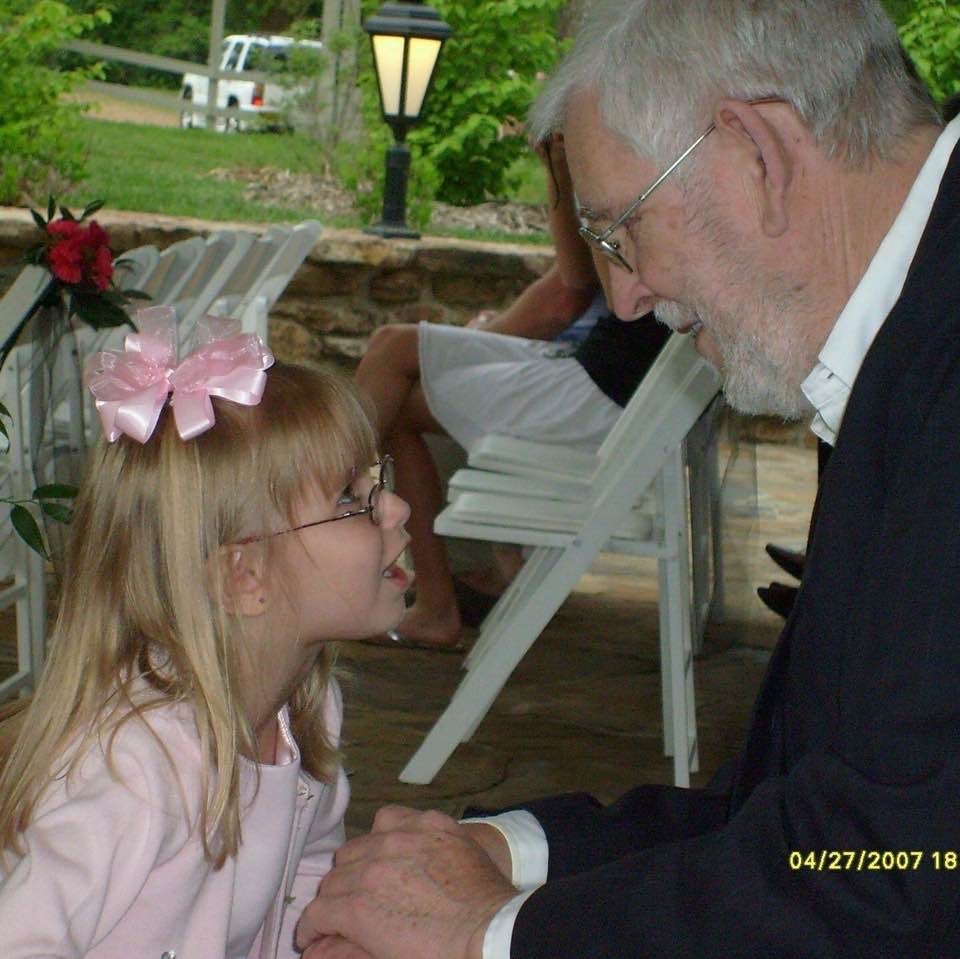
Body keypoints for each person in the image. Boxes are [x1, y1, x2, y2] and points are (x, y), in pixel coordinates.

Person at [292, 1, 960, 956]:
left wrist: (491, 932)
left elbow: (902, 875)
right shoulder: (905, 337)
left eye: (620, 231)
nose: (626, 297)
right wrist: (511, 853)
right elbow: (802, 812)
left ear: (758, 153)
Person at [0, 308, 412, 957]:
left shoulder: (306, 710)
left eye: (376, 479)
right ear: (244, 576)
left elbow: (307, 873)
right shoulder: (139, 767)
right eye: (349, 497)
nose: (396, 506)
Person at [354, 135, 668, 649]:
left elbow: (580, 290)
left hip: (599, 401)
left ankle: (316, 520)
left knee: (398, 390)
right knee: (392, 349)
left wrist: (578, 177)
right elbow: (574, 278)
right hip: (605, 384)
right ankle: (405, 583)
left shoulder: (653, 184)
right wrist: (561, 172)